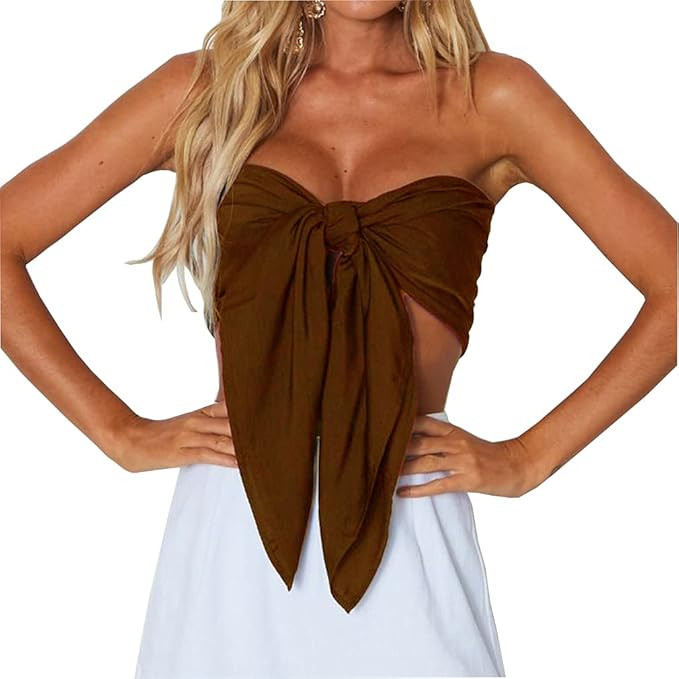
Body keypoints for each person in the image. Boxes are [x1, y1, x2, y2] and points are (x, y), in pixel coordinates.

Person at [1, 1, 676, 678]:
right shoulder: (212, 90)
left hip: (409, 513)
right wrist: (117, 432)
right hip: (237, 527)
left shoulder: (491, 96)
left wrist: (528, 458)